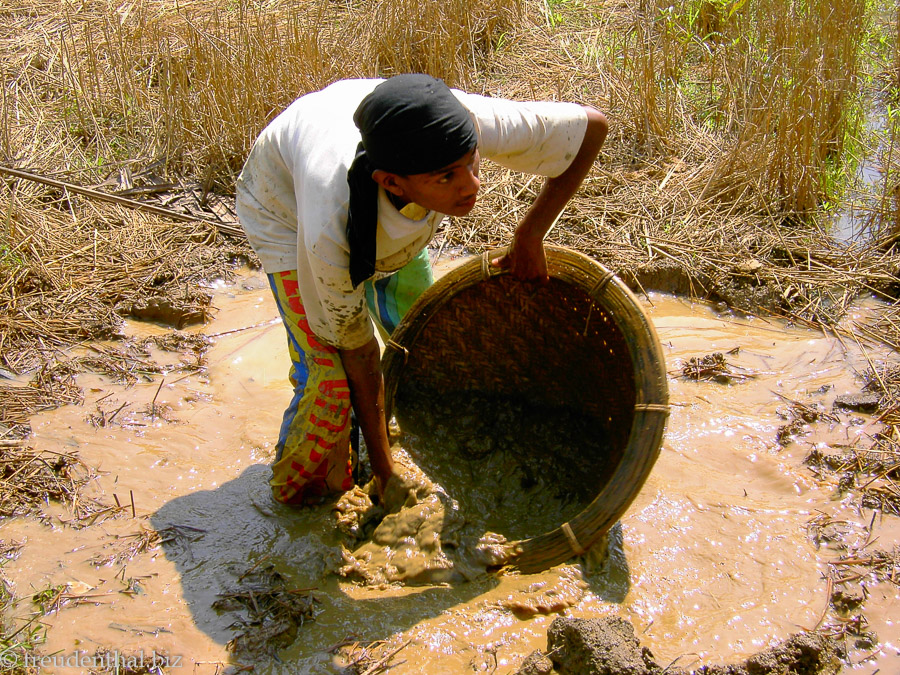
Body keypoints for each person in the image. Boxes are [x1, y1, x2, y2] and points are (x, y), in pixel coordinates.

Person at [236, 74, 608, 506]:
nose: (472, 185)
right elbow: (358, 353)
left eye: (471, 162)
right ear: (393, 183)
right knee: (329, 382)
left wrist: (531, 233)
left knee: (429, 352)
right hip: (284, 209)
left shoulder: (462, 125)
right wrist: (386, 474)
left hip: (383, 182)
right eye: (447, 177)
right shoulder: (327, 229)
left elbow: (591, 129)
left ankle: (402, 438)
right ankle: (301, 500)